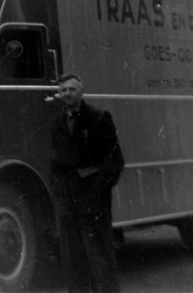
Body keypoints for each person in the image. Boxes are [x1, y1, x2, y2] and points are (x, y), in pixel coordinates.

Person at [50, 73, 124, 293]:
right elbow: (55, 160)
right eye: (63, 90)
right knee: (72, 253)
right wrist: (58, 189)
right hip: (67, 194)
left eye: (72, 89)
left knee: (99, 251)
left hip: (92, 193)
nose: (67, 94)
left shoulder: (99, 118)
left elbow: (114, 160)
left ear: (81, 91)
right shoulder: (57, 123)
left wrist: (98, 189)